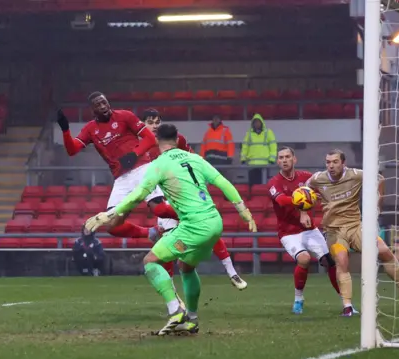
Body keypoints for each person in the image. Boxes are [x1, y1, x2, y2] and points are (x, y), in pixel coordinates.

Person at [85, 124, 257, 335]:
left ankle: (175, 310)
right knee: (186, 267)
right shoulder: (195, 159)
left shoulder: (158, 164)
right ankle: (192, 320)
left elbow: (138, 195)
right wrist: (244, 211)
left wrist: (109, 214)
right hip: (215, 223)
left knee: (150, 261)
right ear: (177, 139)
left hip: (193, 227)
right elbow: (223, 183)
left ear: (157, 140)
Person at [306, 149, 399, 316]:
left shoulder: (355, 175)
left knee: (384, 252)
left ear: (343, 163)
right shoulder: (319, 178)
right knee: (342, 261)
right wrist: (303, 210)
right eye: (328, 162)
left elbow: (380, 179)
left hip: (356, 226)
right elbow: (303, 189)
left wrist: (378, 204)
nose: (331, 165)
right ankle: (347, 306)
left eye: (335, 162)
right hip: (334, 231)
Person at [142, 108, 247, 290]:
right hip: (161, 193)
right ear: (141, 124)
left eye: (157, 122)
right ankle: (175, 296)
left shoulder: (176, 140)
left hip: (184, 194)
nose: (155, 126)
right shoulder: (138, 145)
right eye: (150, 122)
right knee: (170, 249)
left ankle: (231, 272)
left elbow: (191, 161)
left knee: (200, 226)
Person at [56, 92, 168, 241]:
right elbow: (72, 150)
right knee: (112, 226)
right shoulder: (90, 129)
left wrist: (134, 154)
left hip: (142, 169)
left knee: (159, 209)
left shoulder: (125, 116)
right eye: (98, 105)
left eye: (104, 102)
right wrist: (65, 130)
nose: (103, 106)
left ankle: (188, 217)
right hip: (121, 179)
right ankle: (151, 233)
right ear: (93, 110)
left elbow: (150, 139)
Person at [266, 147, 342, 314]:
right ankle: (298, 299)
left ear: (295, 159)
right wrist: (303, 207)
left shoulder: (306, 178)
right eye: (281, 157)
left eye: (287, 157)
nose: (284, 160)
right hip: (288, 233)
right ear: (277, 161)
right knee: (304, 259)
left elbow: (324, 185)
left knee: (329, 262)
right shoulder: (273, 182)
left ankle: (346, 302)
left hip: (309, 229)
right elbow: (282, 201)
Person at [241, 113, 277, 186]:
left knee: (263, 186)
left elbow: (273, 146)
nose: (257, 124)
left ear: (261, 122)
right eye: (255, 122)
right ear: (253, 124)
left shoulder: (268, 132)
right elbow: (245, 147)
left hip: (265, 164)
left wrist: (272, 159)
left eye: (258, 122)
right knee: (252, 186)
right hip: (252, 164)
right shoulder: (249, 133)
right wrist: (243, 158)